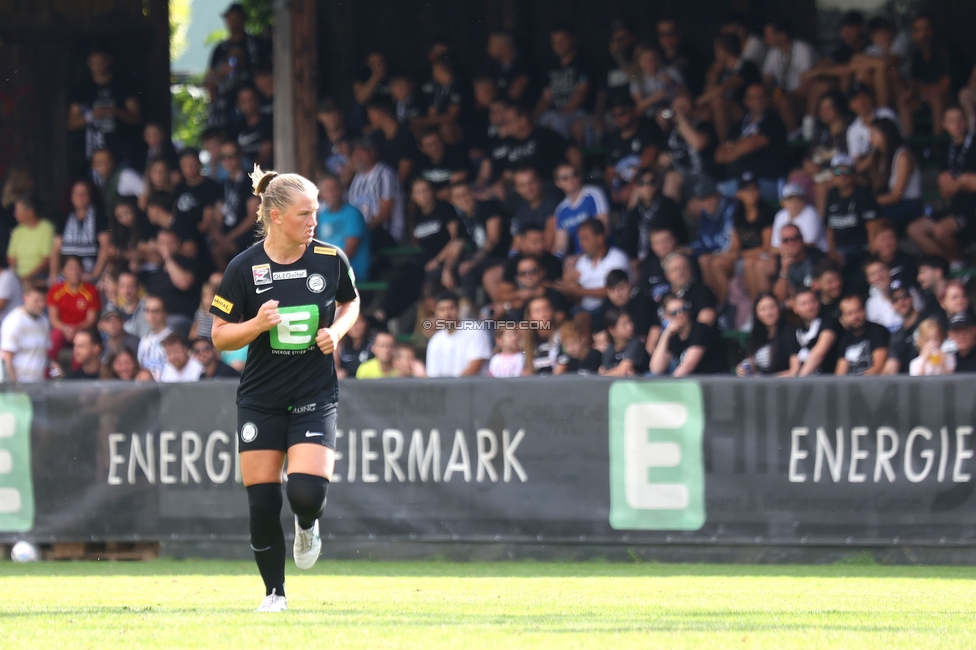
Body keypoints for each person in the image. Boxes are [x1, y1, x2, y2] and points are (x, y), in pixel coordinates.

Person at [210, 164, 360, 612]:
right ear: (275, 216)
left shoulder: (331, 258)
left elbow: (350, 302)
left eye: (315, 212)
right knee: (262, 501)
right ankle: (274, 594)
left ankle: (308, 525)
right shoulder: (244, 267)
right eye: (304, 214)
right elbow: (218, 335)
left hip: (315, 394)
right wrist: (255, 324)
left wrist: (339, 332)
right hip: (261, 398)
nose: (313, 222)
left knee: (305, 494)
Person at [906, 105, 976, 265]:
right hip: (956, 207)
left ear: (966, 122)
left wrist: (958, 183)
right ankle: (949, 264)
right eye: (951, 121)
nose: (956, 124)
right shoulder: (946, 151)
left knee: (940, 231)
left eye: (960, 119)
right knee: (915, 229)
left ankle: (959, 262)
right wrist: (964, 181)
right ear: (944, 125)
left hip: (972, 210)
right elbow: (945, 190)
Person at [67, 46, 141, 170]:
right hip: (92, 152)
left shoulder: (122, 85)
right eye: (94, 63)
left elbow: (136, 117)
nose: (98, 67)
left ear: (108, 61)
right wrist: (92, 115)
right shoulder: (82, 88)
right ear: (88, 64)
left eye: (101, 62)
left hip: (121, 150)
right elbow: (71, 123)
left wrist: (117, 112)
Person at [714, 83, 788, 204]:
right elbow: (719, 155)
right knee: (717, 194)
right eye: (753, 97)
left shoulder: (773, 121)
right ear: (746, 101)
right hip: (736, 181)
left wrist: (733, 149)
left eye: (761, 96)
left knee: (743, 195)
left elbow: (749, 146)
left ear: (767, 99)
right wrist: (742, 147)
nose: (757, 100)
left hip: (764, 182)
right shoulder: (737, 126)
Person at [205, 2, 270, 130]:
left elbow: (266, 72)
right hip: (227, 103)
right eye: (230, 19)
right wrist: (222, 71)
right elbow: (208, 79)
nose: (233, 22)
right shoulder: (220, 49)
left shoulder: (256, 44)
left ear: (243, 20)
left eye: (237, 18)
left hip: (254, 101)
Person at [553, 219, 629, 315]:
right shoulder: (582, 261)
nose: (581, 243)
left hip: (610, 310)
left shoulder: (617, 258)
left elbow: (615, 289)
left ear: (600, 238)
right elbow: (576, 295)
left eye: (585, 238)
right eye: (580, 239)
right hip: (583, 309)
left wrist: (581, 291)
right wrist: (567, 284)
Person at [535, 25, 594, 144]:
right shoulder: (551, 66)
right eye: (555, 41)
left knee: (557, 123)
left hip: (578, 112)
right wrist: (532, 118)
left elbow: (581, 94)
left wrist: (561, 114)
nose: (558, 44)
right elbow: (546, 98)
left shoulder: (582, 62)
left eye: (562, 40)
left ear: (572, 39)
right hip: (555, 113)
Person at [898, 13, 951, 137]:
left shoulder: (942, 52)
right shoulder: (915, 54)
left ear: (932, 31)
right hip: (921, 99)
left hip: (944, 99)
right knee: (904, 100)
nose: (923, 34)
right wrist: (912, 90)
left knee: (935, 97)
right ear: (913, 34)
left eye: (926, 29)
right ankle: (908, 144)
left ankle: (938, 145)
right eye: (919, 30)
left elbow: (945, 86)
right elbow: (913, 82)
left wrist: (920, 89)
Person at [824, 154, 879, 273]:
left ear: (853, 174)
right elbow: (829, 229)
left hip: (859, 249)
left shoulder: (863, 194)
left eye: (847, 171)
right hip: (838, 249)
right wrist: (831, 250)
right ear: (833, 175)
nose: (842, 176)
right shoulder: (831, 194)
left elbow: (872, 227)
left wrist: (873, 254)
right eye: (838, 172)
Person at [649, 294, 728, 376]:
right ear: (666, 316)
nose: (680, 314)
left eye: (683, 309)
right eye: (674, 312)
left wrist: (669, 386)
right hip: (693, 382)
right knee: (650, 376)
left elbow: (688, 366)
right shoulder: (673, 334)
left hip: (714, 380)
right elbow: (656, 369)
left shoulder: (700, 329)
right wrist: (665, 335)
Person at [620, 167, 686, 261]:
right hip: (640, 259)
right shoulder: (634, 212)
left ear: (657, 184)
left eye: (651, 182)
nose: (647, 187)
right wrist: (634, 260)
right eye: (641, 183)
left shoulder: (668, 204)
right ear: (636, 187)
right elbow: (630, 240)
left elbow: (680, 232)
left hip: (666, 256)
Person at [761, 19, 816, 132]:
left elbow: (806, 86)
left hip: (805, 99)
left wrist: (782, 96)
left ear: (782, 36)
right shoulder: (773, 52)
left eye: (768, 35)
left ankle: (792, 137)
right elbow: (765, 80)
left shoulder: (802, 49)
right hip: (785, 96)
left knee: (783, 101)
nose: (765, 39)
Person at [51, 180, 111, 283]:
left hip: (90, 272)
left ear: (90, 195)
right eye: (77, 194)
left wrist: (94, 274)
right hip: (66, 273)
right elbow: (55, 250)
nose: (80, 197)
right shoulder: (64, 217)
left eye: (84, 193)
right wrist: (54, 275)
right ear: (71, 197)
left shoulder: (99, 216)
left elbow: (105, 247)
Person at [348, 138, 405, 247]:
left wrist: (361, 230)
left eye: (361, 153)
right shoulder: (357, 178)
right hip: (363, 231)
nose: (357, 157)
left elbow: (384, 214)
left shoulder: (385, 175)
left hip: (386, 232)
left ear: (373, 153)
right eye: (355, 154)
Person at [866, 118, 922, 226]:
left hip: (908, 205)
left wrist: (870, 202)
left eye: (873, 134)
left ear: (885, 134)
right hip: (890, 204)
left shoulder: (903, 156)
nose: (870, 139)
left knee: (871, 214)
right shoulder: (880, 157)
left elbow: (897, 196)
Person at [316, 174, 370, 282]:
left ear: (341, 190)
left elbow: (350, 250)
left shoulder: (352, 213)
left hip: (352, 272)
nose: (331, 193)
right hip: (330, 272)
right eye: (327, 190)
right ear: (321, 194)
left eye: (334, 188)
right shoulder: (322, 216)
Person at [47, 256, 101, 361]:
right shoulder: (55, 290)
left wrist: (76, 329)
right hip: (63, 329)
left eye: (77, 268)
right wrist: (66, 329)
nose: (74, 272)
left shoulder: (91, 290)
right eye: (70, 268)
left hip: (83, 329)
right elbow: (53, 319)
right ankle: (52, 368)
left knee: (83, 342)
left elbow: (91, 319)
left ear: (82, 270)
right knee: (54, 338)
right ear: (63, 271)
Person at [426, 292, 490, 377]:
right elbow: (433, 375)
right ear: (436, 312)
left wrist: (454, 387)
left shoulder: (474, 329)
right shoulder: (435, 340)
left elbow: (475, 365)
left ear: (458, 309)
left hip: (475, 388)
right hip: (448, 389)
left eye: (451, 308)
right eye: (441, 309)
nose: (447, 313)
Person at [553, 162, 609, 256]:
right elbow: (560, 244)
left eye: (574, 174)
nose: (571, 179)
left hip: (602, 254)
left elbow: (604, 229)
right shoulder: (561, 209)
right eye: (565, 178)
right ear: (558, 183)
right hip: (580, 260)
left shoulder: (593, 194)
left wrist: (580, 257)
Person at [0, 284, 50, 383]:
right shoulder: (14, 321)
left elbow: (44, 352)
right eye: (36, 301)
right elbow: (6, 359)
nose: (41, 304)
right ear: (25, 298)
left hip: (39, 384)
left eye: (43, 300)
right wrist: (15, 386)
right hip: (19, 385)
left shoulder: (44, 321)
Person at [834, 294, 889, 376]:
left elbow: (878, 367)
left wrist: (856, 386)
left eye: (858, 310)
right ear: (843, 318)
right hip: (851, 386)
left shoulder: (878, 331)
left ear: (864, 310)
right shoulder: (844, 339)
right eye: (850, 313)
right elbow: (840, 374)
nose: (855, 316)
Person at [792, 288, 842, 376]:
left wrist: (799, 382)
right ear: (795, 309)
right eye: (803, 304)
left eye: (813, 301)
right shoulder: (797, 330)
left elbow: (819, 353)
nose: (809, 306)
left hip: (827, 381)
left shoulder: (829, 322)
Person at [366, 98, 418, 183]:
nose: (368, 118)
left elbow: (403, 174)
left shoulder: (405, 136)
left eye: (370, 114)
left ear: (378, 113)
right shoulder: (377, 136)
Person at [772, 224, 826, 305]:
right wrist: (784, 270)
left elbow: (822, 291)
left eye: (795, 238)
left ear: (802, 239)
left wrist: (796, 301)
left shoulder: (817, 257)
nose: (791, 243)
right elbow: (778, 298)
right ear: (781, 244)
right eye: (786, 240)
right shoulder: (781, 260)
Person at [662, 253, 717, 326]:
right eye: (675, 269)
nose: (680, 272)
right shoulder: (664, 297)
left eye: (684, 268)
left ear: (690, 271)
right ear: (667, 275)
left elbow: (706, 320)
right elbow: (655, 328)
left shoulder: (701, 291)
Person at [771, 183, 828, 252]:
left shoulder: (811, 214)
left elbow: (808, 245)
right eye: (790, 200)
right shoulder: (780, 215)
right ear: (783, 202)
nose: (794, 203)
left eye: (798, 200)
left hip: (814, 254)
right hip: (788, 254)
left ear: (804, 201)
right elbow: (774, 247)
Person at [8, 197, 54, 282]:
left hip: (39, 276)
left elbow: (46, 260)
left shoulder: (46, 228)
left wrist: (26, 278)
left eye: (18, 211)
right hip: (18, 277)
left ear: (30, 211)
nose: (15, 214)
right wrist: (16, 277)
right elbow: (11, 257)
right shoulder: (18, 230)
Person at [881, 281, 923, 375]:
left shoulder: (927, 323)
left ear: (911, 297)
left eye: (904, 296)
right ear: (892, 305)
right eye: (895, 299)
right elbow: (891, 366)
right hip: (906, 385)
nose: (901, 302)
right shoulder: (897, 336)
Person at [599, 309, 649, 376]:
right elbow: (604, 370)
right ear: (612, 330)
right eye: (624, 324)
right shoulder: (609, 350)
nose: (630, 327)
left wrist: (604, 374)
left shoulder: (636, 343)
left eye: (630, 322)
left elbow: (623, 371)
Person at [234, 86, 274, 168]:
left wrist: (251, 171)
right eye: (244, 101)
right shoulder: (237, 126)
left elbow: (266, 153)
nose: (248, 104)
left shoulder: (268, 122)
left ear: (257, 100)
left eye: (251, 99)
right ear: (238, 103)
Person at [521, 296, 561, 375]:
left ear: (552, 311)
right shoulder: (525, 343)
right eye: (537, 311)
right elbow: (527, 371)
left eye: (546, 309)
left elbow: (562, 365)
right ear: (530, 317)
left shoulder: (561, 336)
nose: (543, 314)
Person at [487, 32, 531, 102]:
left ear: (504, 46)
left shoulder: (523, 65)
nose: (488, 48)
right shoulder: (494, 67)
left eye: (492, 44)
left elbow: (514, 94)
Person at [137, 295, 172, 381]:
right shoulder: (144, 341)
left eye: (156, 311)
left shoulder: (174, 339)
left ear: (165, 313)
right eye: (147, 310)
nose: (151, 315)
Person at [335, 313, 372, 379]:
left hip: (368, 382)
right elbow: (335, 370)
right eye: (351, 323)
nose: (355, 326)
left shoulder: (373, 345)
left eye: (358, 322)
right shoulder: (340, 346)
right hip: (346, 385)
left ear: (365, 323)